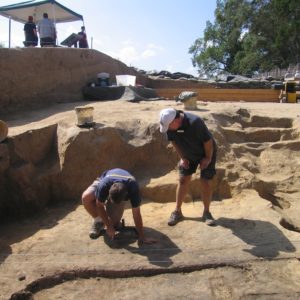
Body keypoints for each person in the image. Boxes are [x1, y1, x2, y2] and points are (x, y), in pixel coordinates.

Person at [159, 108, 217, 226]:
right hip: (187, 152)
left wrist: (207, 158)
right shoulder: (169, 124)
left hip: (206, 151)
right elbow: (174, 141)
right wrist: (183, 157)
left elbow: (208, 141)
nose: (168, 129)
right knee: (183, 179)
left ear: (176, 121)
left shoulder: (195, 122)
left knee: (205, 180)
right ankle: (177, 211)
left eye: (170, 127)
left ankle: (206, 212)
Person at [82, 168, 155, 245]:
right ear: (109, 190)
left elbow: (136, 213)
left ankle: (111, 220)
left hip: (122, 187)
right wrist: (108, 225)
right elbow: (99, 205)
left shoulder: (133, 188)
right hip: (106, 178)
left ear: (126, 194)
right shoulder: (104, 185)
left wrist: (142, 237)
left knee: (114, 224)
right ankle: (98, 221)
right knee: (86, 197)